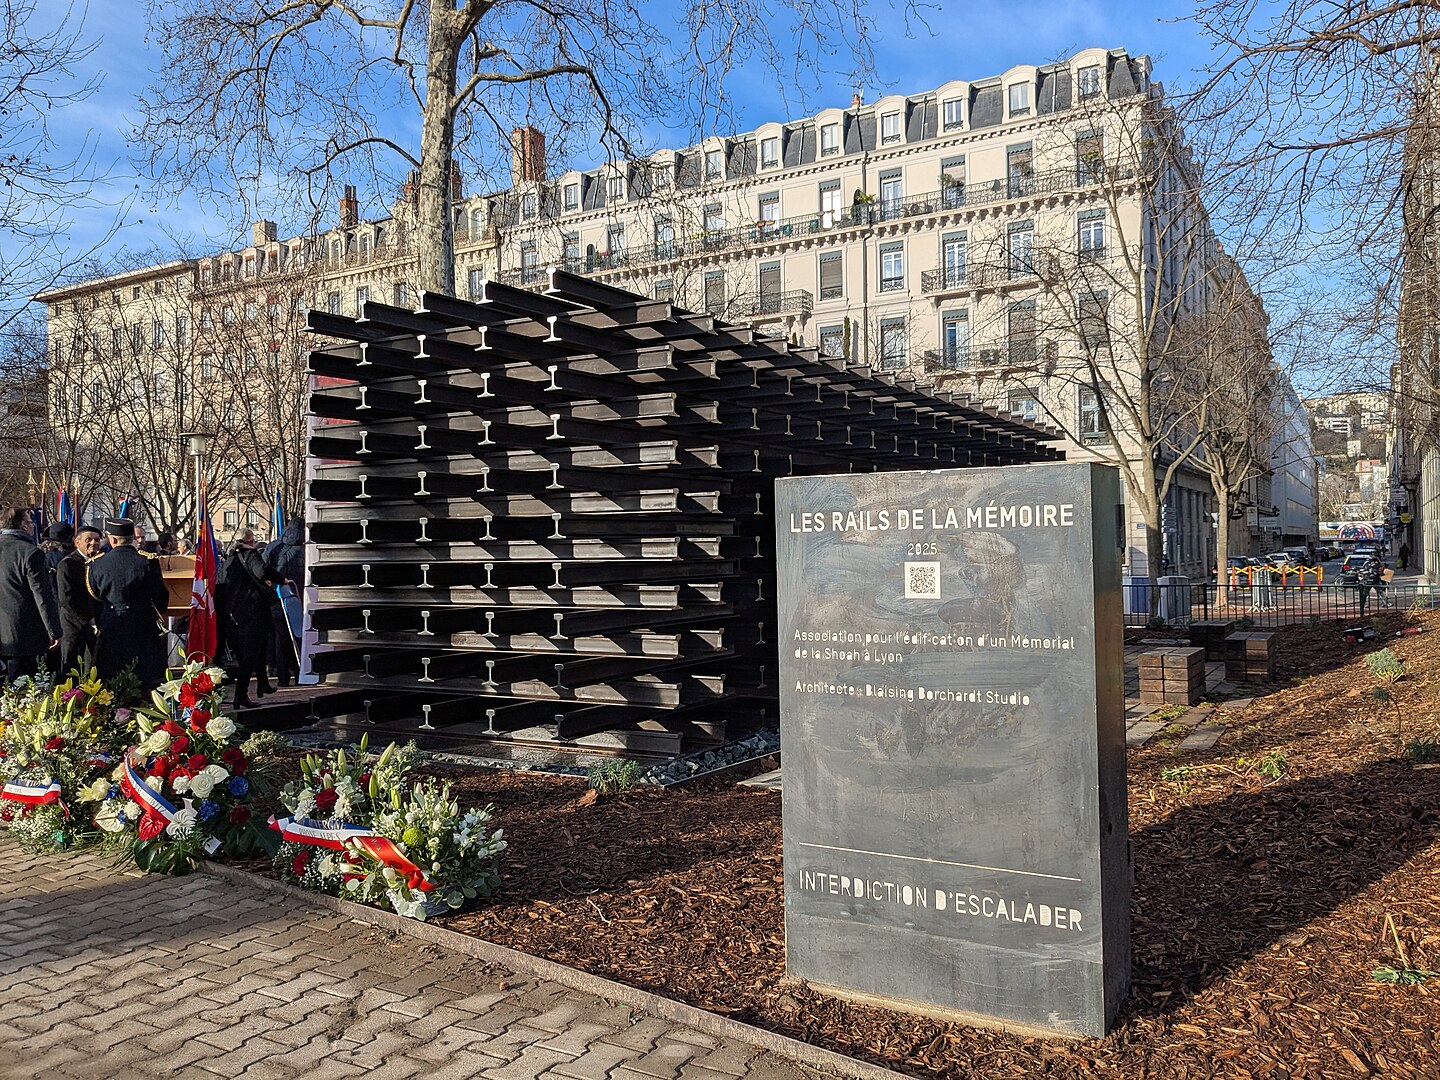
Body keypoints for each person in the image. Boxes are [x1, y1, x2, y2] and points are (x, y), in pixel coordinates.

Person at [86, 517, 169, 688]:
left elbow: (94, 597)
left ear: (112, 539)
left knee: (111, 679)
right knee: (146, 678)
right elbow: (160, 596)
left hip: (111, 625)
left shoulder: (96, 564)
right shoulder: (147, 561)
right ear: (132, 538)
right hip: (142, 624)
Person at [216, 529, 279, 707]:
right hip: (252, 611)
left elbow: (219, 590)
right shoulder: (251, 555)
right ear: (250, 541)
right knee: (250, 653)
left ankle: (263, 682)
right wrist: (281, 579)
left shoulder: (226, 563)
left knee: (255, 648)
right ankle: (241, 694)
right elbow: (262, 571)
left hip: (233, 615)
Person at [0, 506, 63, 683]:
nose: (33, 526)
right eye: (30, 522)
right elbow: (43, 595)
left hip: (6, 634)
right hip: (23, 635)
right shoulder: (30, 552)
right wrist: (54, 631)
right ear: (22, 525)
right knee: (24, 693)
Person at [55, 525, 103, 677]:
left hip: (96, 626)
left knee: (93, 669)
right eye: (88, 539)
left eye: (96, 540)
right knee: (72, 670)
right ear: (77, 542)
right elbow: (66, 599)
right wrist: (89, 620)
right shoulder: (67, 564)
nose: (93, 543)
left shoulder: (101, 563)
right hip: (74, 625)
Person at [263, 520, 305, 688]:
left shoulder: (273, 547)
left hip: (278, 598)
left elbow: (263, 571)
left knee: (281, 639)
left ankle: (282, 677)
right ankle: (301, 674)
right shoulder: (308, 547)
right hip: (301, 599)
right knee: (301, 638)